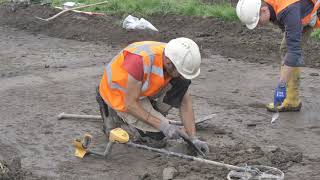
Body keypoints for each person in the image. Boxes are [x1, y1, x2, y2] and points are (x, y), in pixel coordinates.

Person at [96, 37, 209, 154]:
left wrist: (193, 138)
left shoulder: (174, 54)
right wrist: (163, 126)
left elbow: (185, 102)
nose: (182, 76)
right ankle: (113, 111)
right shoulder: (140, 61)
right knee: (156, 139)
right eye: (181, 73)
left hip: (140, 90)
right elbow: (129, 104)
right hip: (119, 94)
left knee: (182, 84)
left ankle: (149, 114)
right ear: (169, 63)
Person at [236, 0, 320, 112]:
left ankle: (291, 100)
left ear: (264, 10)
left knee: (289, 51)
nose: (259, 26)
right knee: (286, 49)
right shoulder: (271, 5)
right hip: (302, 11)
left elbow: (294, 52)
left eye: (258, 23)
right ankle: (292, 100)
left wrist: (281, 85)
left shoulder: (288, 11)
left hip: (306, 10)